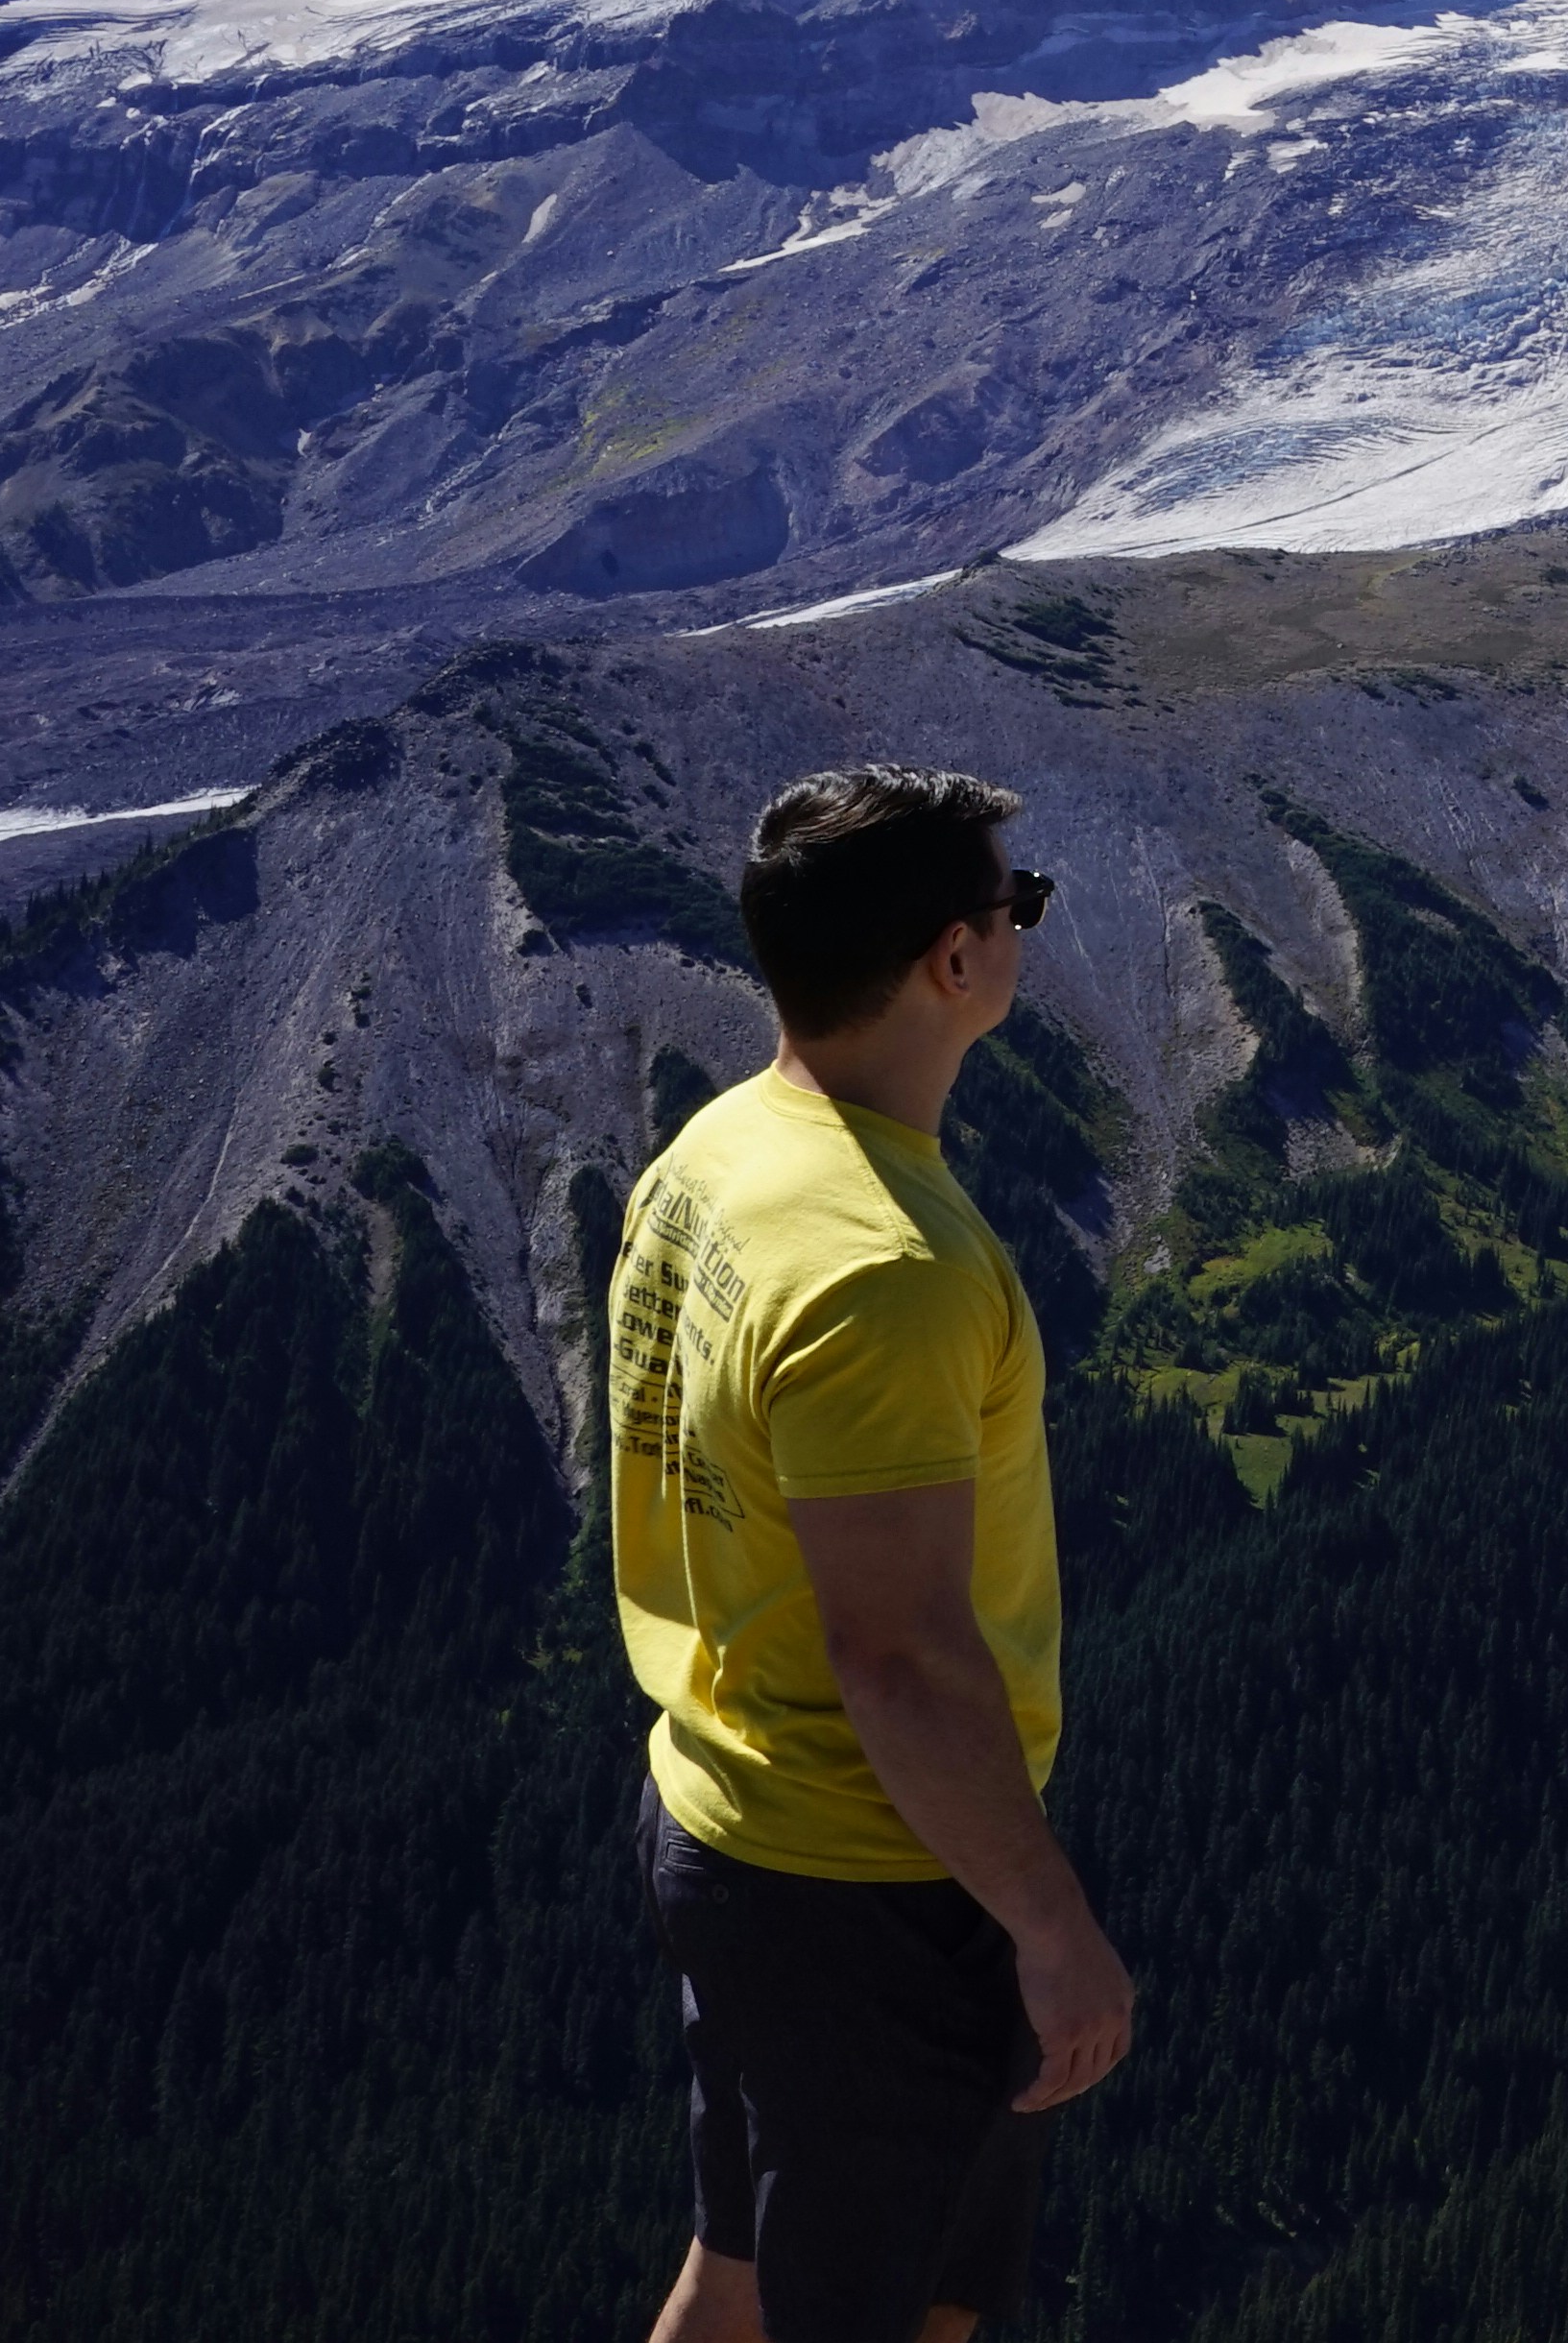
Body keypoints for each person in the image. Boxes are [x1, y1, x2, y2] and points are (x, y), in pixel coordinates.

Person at [609, 765, 1131, 2343]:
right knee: (904, 2314)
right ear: (952, 963)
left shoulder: (719, 1152)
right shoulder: (884, 1269)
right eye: (1015, 905)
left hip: (723, 1807)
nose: (1024, 930)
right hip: (870, 1882)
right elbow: (898, 1656)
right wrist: (1050, 1927)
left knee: (744, 2275)